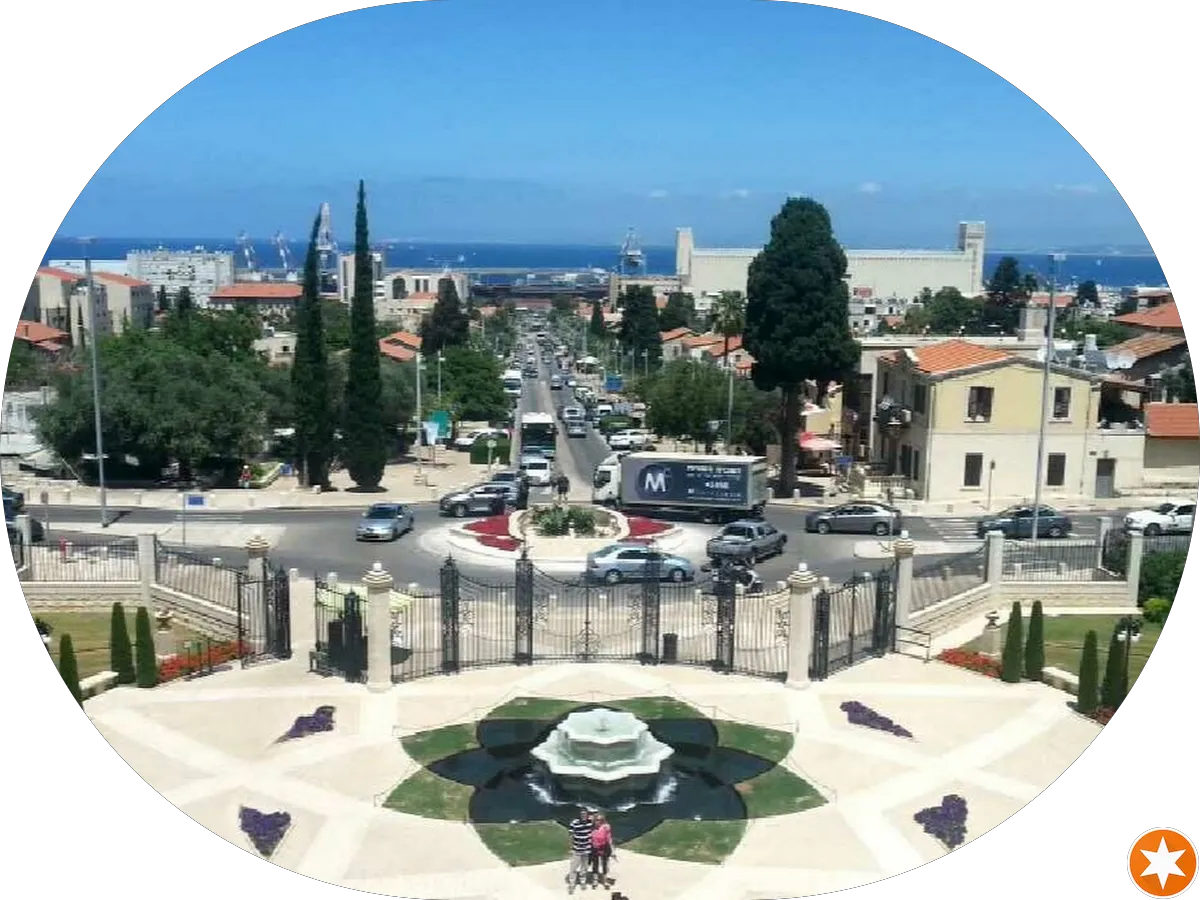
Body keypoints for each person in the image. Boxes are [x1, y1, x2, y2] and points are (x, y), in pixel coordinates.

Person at [566, 809, 593, 892]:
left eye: (585, 814)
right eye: (582, 814)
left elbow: (600, 817)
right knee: (573, 867)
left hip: (587, 849)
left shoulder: (590, 822)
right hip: (576, 849)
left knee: (584, 867)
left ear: (587, 815)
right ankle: (572, 884)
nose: (583, 816)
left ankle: (583, 882)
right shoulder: (574, 823)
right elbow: (571, 835)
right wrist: (571, 848)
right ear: (579, 815)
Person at [588, 812, 614, 887]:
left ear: (602, 821)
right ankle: (595, 880)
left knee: (604, 864)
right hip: (594, 848)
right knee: (595, 864)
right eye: (596, 820)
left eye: (599, 820)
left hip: (604, 847)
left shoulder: (606, 827)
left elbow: (609, 839)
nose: (598, 821)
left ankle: (604, 880)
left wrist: (613, 850)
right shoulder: (591, 828)